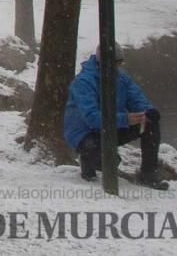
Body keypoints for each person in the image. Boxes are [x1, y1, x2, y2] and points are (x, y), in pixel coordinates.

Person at [63, 46, 168, 189]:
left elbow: (136, 98)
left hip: (111, 127)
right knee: (108, 161)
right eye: (115, 63)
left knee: (150, 124)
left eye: (119, 63)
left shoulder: (122, 78)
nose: (118, 67)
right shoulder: (83, 82)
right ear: (102, 63)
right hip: (84, 132)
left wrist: (148, 111)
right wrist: (125, 119)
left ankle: (148, 173)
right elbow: (91, 118)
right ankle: (88, 157)